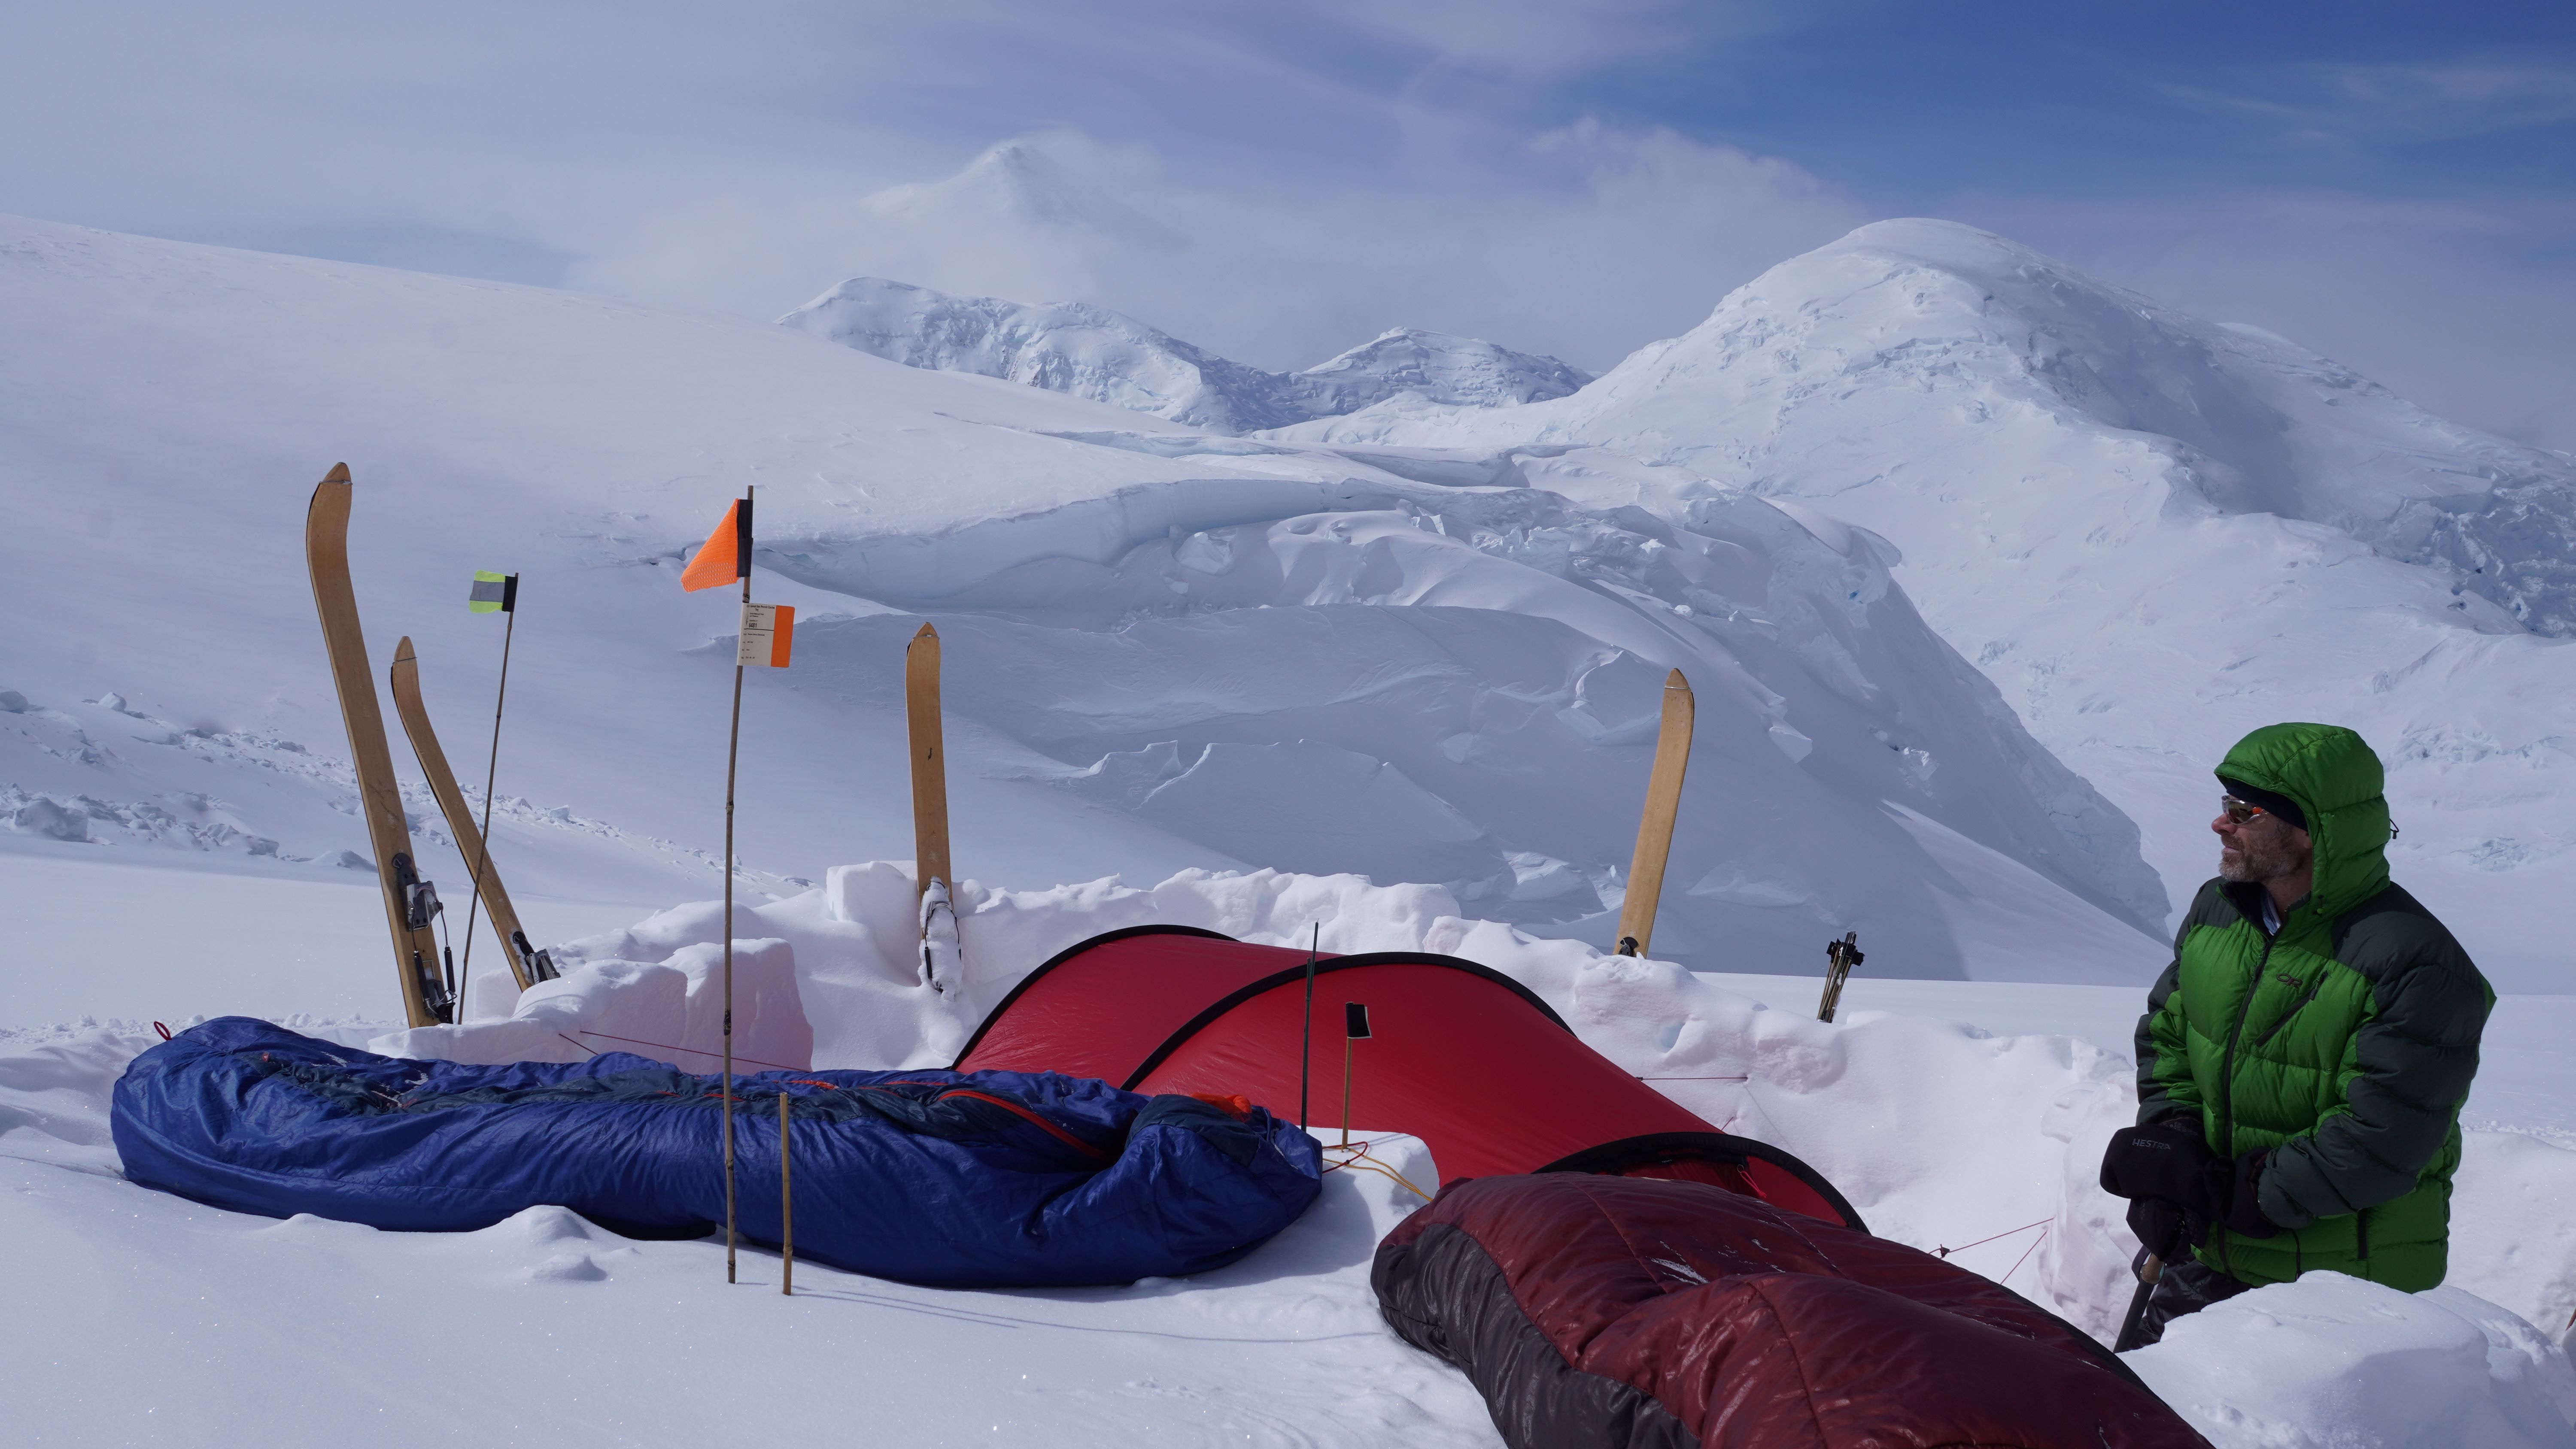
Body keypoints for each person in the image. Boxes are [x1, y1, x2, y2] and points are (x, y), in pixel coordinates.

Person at [2099, 723, 2491, 1349]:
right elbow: (2171, 1034)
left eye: (2242, 811)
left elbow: (2379, 1140)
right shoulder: (2220, 911)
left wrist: (2230, 1191)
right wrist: (2173, 1145)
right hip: (2218, 1249)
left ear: (2313, 828)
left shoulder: (2413, 960)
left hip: (2339, 1288)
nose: (2219, 824)